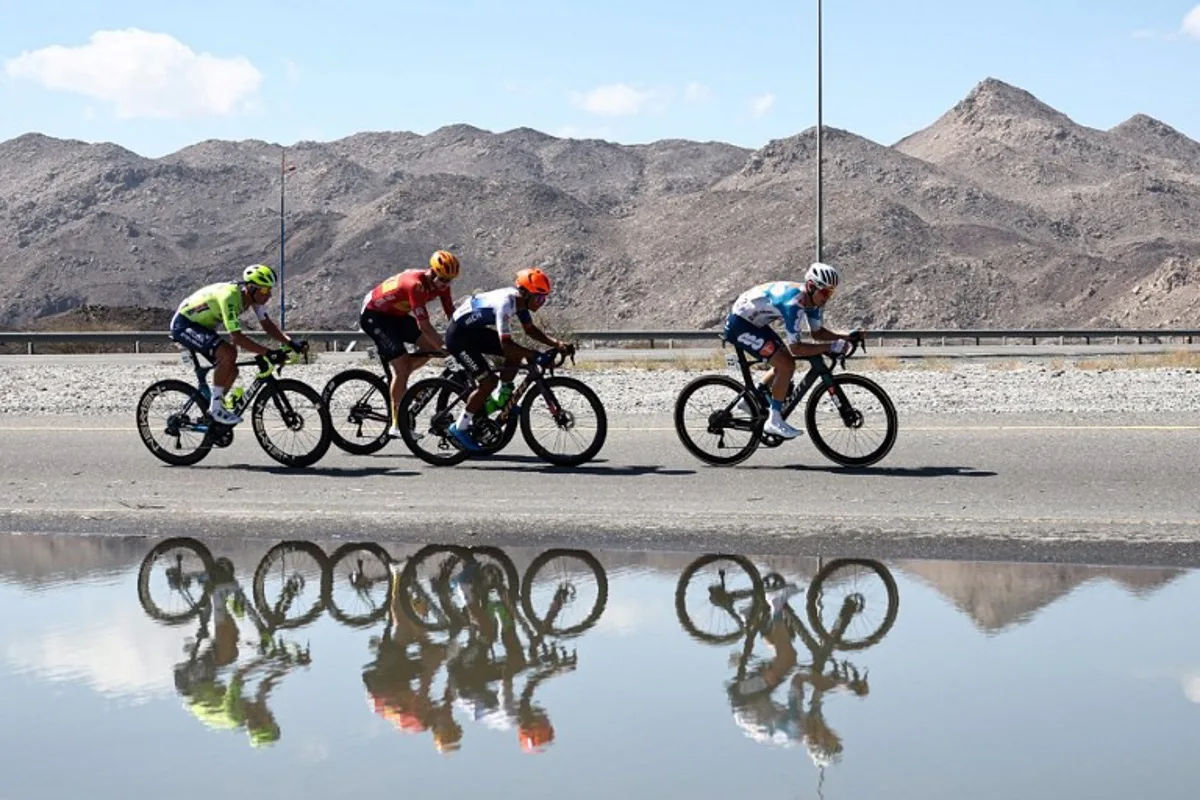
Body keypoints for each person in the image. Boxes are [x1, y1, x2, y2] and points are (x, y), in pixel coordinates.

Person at [723, 262, 863, 439]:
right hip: (740, 324)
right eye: (826, 292)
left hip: (754, 322)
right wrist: (831, 346)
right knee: (786, 364)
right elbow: (796, 348)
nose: (828, 297)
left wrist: (846, 336)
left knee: (782, 360)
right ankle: (774, 421)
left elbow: (818, 333)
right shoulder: (794, 303)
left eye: (831, 292)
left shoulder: (812, 302)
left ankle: (750, 400)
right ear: (812, 286)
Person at [441, 267, 569, 452]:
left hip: (473, 332)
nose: (542, 302)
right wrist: (535, 355)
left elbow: (530, 329)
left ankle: (502, 395)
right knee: (488, 381)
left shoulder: (521, 303)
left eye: (544, 298)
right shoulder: (505, 304)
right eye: (539, 298)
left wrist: (557, 344)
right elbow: (506, 345)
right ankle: (459, 427)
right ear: (525, 293)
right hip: (458, 337)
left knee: (516, 354)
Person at [169, 264, 305, 426]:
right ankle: (215, 409)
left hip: (203, 326)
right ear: (251, 288)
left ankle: (213, 409)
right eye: (264, 290)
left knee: (231, 368)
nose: (268, 295)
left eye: (269, 290)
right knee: (228, 353)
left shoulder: (252, 297)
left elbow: (267, 325)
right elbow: (237, 338)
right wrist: (267, 352)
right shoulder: (229, 298)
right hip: (184, 324)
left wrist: (289, 342)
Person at [360, 250, 460, 438]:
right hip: (374, 315)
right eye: (443, 279)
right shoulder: (415, 285)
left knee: (429, 349)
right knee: (403, 369)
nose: (446, 284)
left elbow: (451, 314)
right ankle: (397, 426)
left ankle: (404, 384)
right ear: (432, 272)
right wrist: (447, 351)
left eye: (450, 280)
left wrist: (463, 335)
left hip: (395, 316)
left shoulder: (443, 285)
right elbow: (425, 325)